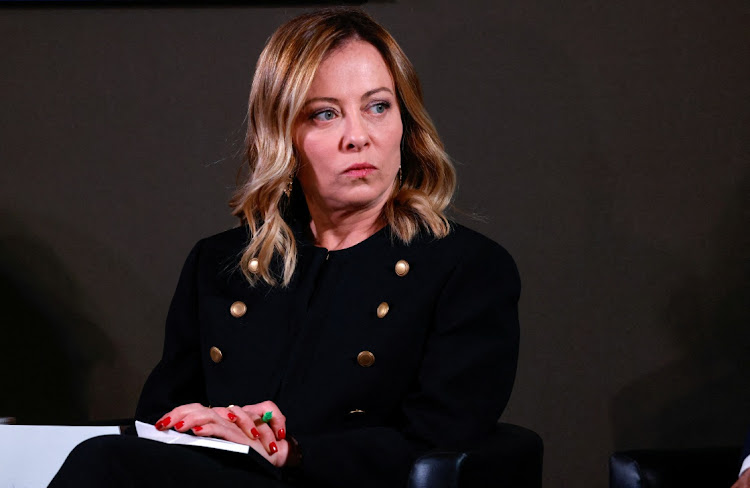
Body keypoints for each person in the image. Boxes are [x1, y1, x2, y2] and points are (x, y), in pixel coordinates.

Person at [49, 7, 520, 488]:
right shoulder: (220, 265)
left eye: (378, 106)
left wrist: (290, 450)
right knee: (103, 458)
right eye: (324, 114)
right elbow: (160, 417)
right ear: (282, 135)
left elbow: (441, 436)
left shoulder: (467, 268)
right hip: (217, 477)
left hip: (340, 484)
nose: (358, 137)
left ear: (406, 123)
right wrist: (215, 426)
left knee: (103, 463)